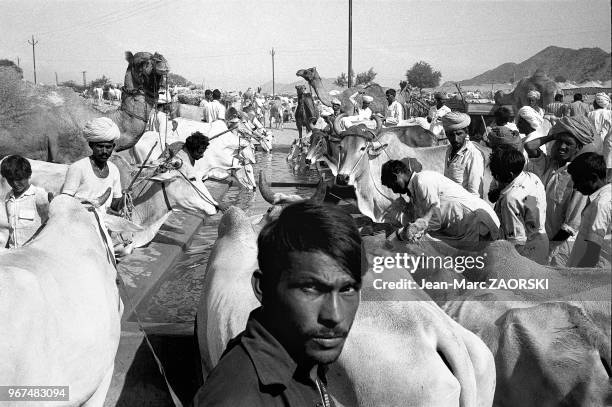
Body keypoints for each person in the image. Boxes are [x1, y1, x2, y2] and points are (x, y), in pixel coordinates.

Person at [193, 201, 363, 406]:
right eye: (310, 288)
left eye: (347, 289)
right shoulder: (235, 398)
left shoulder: (309, 361)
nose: (335, 315)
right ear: (262, 288)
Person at [523, 115, 597, 266]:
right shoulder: (549, 164)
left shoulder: (581, 174)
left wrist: (549, 247)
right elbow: (529, 146)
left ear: (578, 147)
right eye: (560, 143)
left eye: (568, 144)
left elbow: (571, 224)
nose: (562, 147)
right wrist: (554, 136)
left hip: (559, 247)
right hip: (539, 239)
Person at [381, 159, 500, 249]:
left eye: (391, 185)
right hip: (467, 228)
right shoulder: (415, 192)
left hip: (477, 224)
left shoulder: (423, 181)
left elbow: (434, 221)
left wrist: (400, 236)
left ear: (397, 174)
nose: (394, 191)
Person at [489, 145, 549, 264]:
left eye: (496, 175)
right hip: (541, 242)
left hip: (524, 254)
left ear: (510, 175)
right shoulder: (532, 177)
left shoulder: (510, 200)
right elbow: (529, 205)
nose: (495, 178)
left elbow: (516, 240)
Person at [61, 117, 124, 214]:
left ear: (113, 147)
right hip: (80, 218)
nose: (104, 151)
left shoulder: (114, 170)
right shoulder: (78, 167)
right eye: (100, 146)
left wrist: (124, 198)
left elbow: (116, 203)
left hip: (105, 220)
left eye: (108, 147)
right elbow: (65, 202)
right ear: (91, 145)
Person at [566, 153, 611, 268]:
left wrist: (577, 280)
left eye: (578, 181)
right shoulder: (604, 196)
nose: (575, 186)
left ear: (594, 177)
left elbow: (592, 253)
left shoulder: (601, 204)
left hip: (589, 274)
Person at [1, 155, 50, 248]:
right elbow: (12, 230)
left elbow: (49, 225)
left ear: (28, 175)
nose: (15, 184)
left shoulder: (39, 195)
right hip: (14, 253)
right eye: (10, 180)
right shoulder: (8, 198)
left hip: (33, 253)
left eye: (19, 179)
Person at [441, 112, 485, 197]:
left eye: (459, 134)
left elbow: (475, 192)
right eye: (451, 135)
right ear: (446, 134)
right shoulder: (449, 151)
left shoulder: (473, 154)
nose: (455, 139)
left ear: (466, 132)